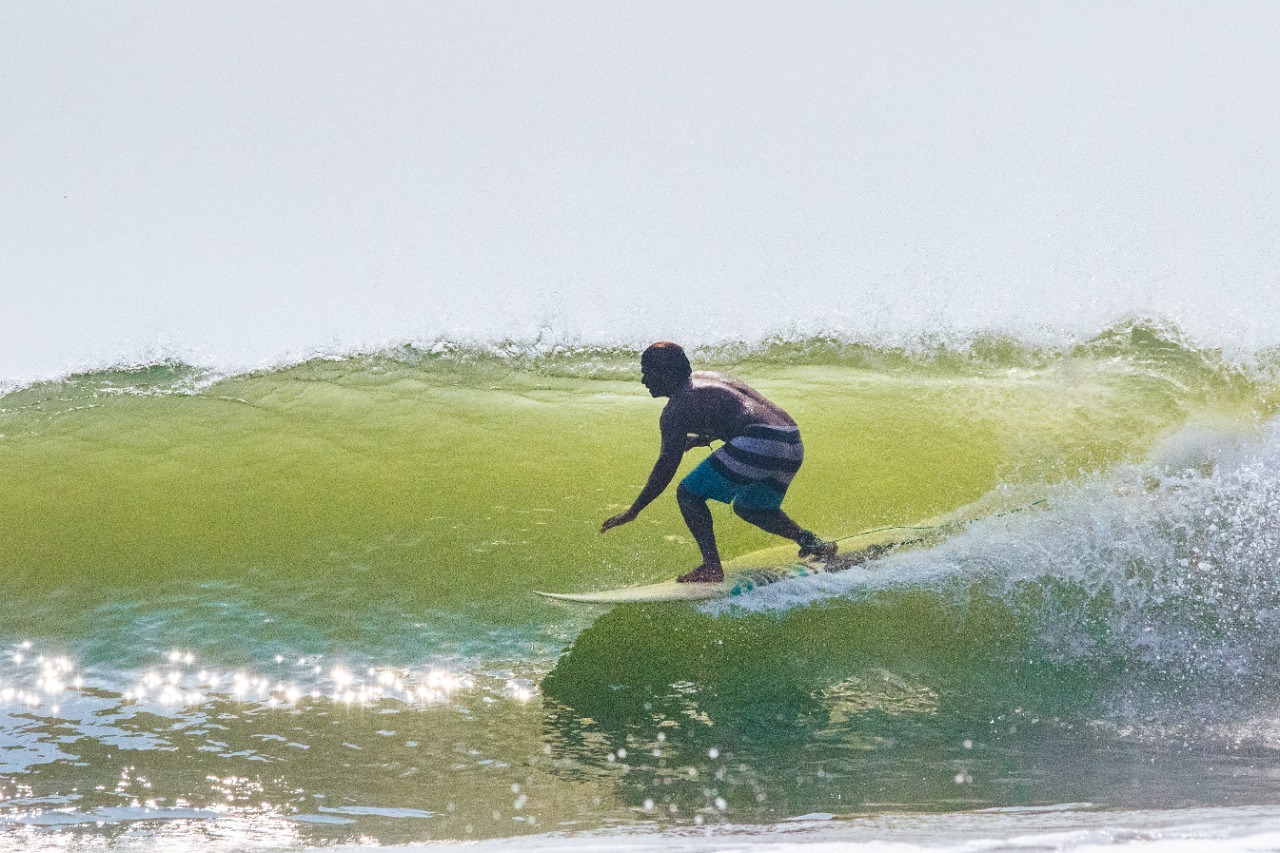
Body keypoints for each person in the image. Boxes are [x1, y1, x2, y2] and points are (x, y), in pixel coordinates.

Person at [600, 341, 836, 583]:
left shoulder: (675, 409)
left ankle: (712, 567)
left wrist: (634, 511)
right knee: (752, 507)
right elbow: (737, 414)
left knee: (688, 494)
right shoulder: (710, 379)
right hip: (791, 440)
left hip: (758, 441)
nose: (644, 381)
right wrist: (702, 439)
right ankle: (813, 543)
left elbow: (665, 466)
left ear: (664, 373)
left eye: (646, 373)